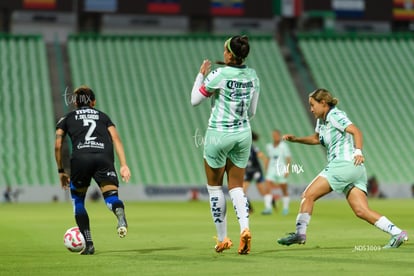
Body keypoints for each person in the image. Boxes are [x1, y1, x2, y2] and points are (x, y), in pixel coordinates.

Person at [277, 88, 407, 249]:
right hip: (354, 169)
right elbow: (316, 139)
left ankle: (300, 233)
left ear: (323, 103)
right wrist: (296, 139)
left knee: (308, 195)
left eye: (312, 105)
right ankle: (397, 233)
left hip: (343, 164)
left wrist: (359, 151)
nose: (310, 109)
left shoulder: (334, 115)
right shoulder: (322, 120)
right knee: (361, 210)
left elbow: (356, 131)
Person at [190, 35, 260, 254]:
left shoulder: (218, 74)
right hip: (243, 134)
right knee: (237, 187)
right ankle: (245, 229)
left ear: (230, 54)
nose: (223, 53)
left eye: (224, 50)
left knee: (214, 188)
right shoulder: (253, 76)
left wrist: (201, 74)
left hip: (218, 134)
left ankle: (223, 239)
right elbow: (252, 112)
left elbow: (195, 100)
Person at [55, 85, 131, 255]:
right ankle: (118, 210)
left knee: (78, 200)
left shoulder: (66, 118)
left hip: (81, 159)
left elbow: (58, 144)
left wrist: (61, 170)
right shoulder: (103, 117)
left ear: (75, 102)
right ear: (93, 102)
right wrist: (124, 164)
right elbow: (116, 139)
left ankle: (88, 244)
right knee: (111, 196)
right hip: (104, 158)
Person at [261, 129, 291, 215]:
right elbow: (269, 158)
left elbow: (288, 158)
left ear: (279, 136)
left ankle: (285, 208)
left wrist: (287, 170)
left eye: (276, 135)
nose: (275, 137)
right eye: (273, 135)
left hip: (281, 168)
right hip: (271, 169)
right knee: (267, 186)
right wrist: (266, 168)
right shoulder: (269, 146)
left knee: (284, 188)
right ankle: (268, 208)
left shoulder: (283, 146)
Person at [242, 131, 266, 214]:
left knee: (262, 191)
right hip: (247, 171)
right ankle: (250, 208)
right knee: (242, 191)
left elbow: (262, 156)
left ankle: (271, 202)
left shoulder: (253, 148)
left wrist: (266, 166)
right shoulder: (242, 148)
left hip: (256, 170)